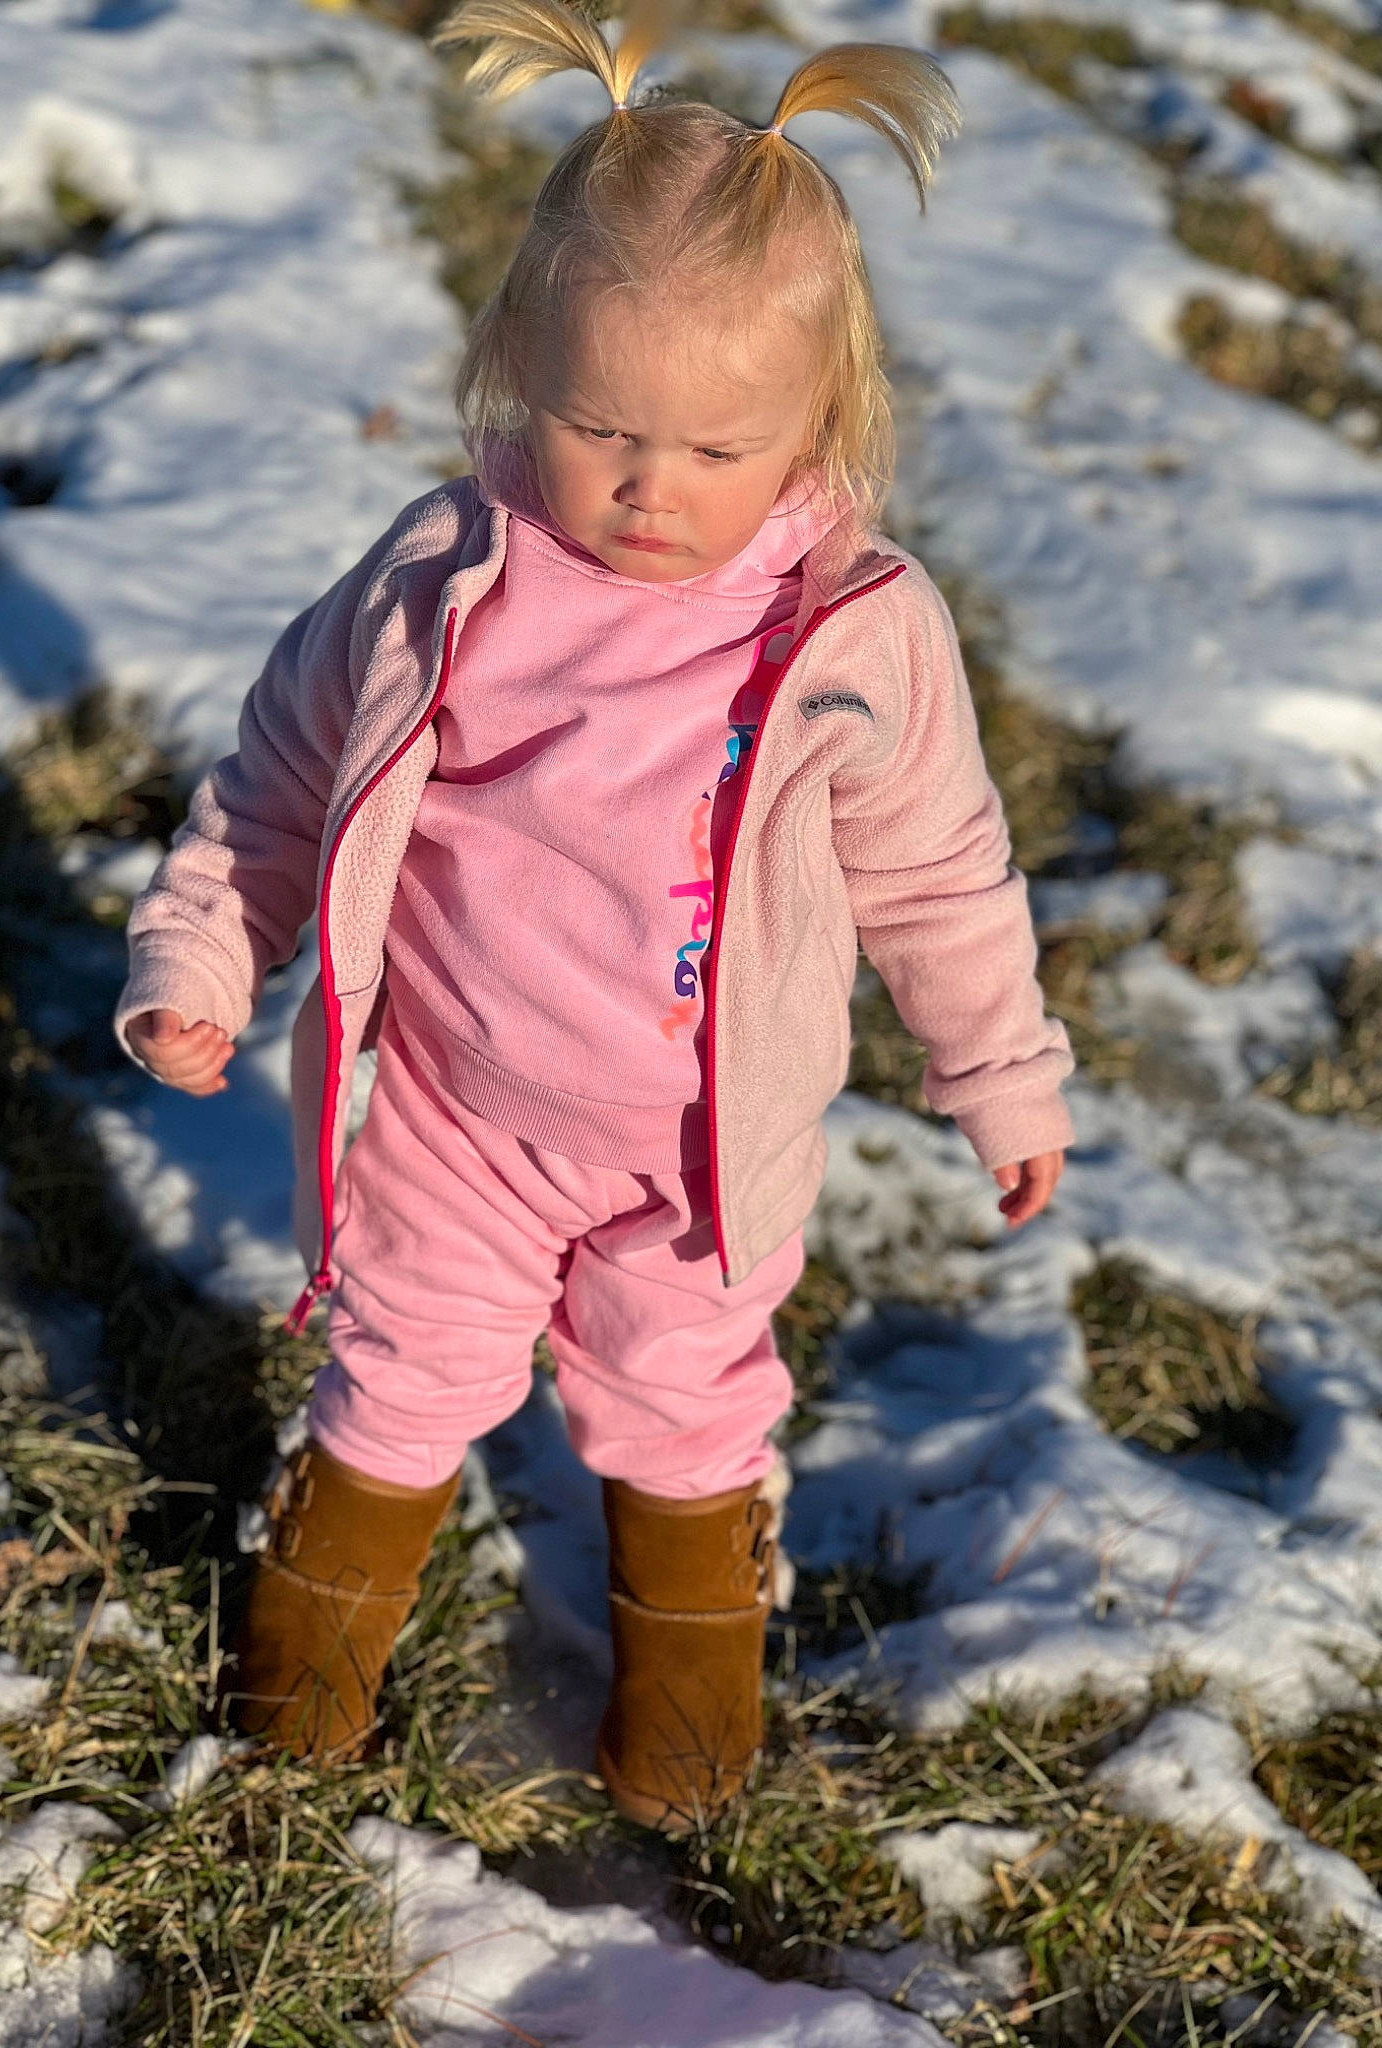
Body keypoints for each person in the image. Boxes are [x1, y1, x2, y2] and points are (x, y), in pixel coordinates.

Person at [114, 0, 1076, 1834]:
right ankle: (298, 1701)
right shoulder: (444, 584)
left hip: (703, 1153)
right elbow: (281, 782)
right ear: (515, 369)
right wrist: (202, 956)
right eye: (599, 426)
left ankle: (689, 1730)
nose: (651, 488)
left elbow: (942, 875)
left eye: (719, 449)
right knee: (401, 1377)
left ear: (819, 424)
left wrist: (1003, 1073)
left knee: (687, 1404)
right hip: (462, 1112)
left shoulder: (852, 636)